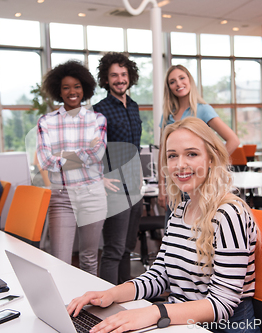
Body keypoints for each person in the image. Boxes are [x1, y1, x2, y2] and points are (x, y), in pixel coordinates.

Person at [67, 117, 260, 333]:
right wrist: (111, 294)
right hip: (181, 320)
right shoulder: (180, 210)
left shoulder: (229, 214)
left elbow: (222, 304)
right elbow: (161, 274)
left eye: (192, 154)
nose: (180, 165)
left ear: (211, 159)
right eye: (172, 156)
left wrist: (154, 312)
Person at [36, 60, 107, 276]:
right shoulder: (46, 121)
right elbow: (46, 161)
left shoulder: (97, 119)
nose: (72, 92)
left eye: (76, 86)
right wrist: (83, 155)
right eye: (66, 87)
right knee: (60, 261)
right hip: (62, 197)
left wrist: (63, 158)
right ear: (59, 90)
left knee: (89, 258)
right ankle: (65, 307)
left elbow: (98, 154)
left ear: (84, 88)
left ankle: (90, 307)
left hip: (92, 194)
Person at [158, 64, 240, 218]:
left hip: (199, 184)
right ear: (168, 87)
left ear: (190, 80)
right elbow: (163, 152)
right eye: (172, 81)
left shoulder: (202, 109)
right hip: (175, 186)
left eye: (182, 78)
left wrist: (210, 161)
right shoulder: (167, 116)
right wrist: (162, 187)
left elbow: (233, 140)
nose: (178, 83)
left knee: (201, 231)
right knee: (175, 231)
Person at [93, 52, 144, 285]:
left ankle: (126, 298)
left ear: (130, 77)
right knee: (113, 250)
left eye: (123, 74)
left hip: (135, 186)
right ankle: (108, 302)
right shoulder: (99, 110)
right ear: (105, 79)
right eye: (114, 75)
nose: (119, 79)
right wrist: (99, 178)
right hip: (115, 188)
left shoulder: (134, 107)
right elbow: (91, 151)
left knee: (127, 248)